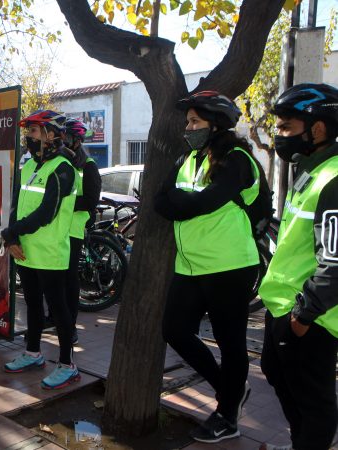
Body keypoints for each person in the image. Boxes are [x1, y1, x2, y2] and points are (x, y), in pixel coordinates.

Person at [154, 91, 260, 443]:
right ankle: (229, 389)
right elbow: (159, 200)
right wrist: (184, 203)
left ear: (216, 124)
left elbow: (206, 201)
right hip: (190, 265)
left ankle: (227, 415)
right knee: (174, 330)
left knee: (231, 343)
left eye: (195, 122)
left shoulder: (237, 158)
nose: (189, 127)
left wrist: (182, 202)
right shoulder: (188, 157)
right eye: (188, 122)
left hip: (229, 266)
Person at [258, 83, 338, 450]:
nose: (278, 136)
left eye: (286, 127)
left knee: (314, 401)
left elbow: (335, 263)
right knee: (277, 373)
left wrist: (303, 316)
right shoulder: (309, 170)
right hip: (283, 303)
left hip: (311, 316)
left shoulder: (333, 179)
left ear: (318, 129)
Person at [0, 110, 79, 390]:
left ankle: (68, 365)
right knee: (32, 304)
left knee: (58, 309)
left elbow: (47, 213)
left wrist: (13, 232)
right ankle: (33, 353)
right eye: (29, 132)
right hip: (26, 250)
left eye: (33, 132)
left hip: (50, 252)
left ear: (51, 135)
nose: (28, 137)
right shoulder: (29, 167)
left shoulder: (63, 168)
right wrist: (11, 239)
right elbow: (15, 205)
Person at [62, 118, 101, 345]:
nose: (63, 142)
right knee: (55, 278)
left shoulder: (88, 165)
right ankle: (55, 318)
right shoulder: (62, 162)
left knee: (69, 279)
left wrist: (62, 203)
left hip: (74, 230)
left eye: (67, 138)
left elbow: (89, 200)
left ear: (77, 141)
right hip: (56, 230)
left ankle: (70, 325)